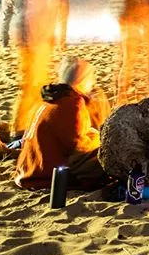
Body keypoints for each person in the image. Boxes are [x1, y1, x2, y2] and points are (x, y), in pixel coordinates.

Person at [11, 0, 79, 138]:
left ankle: (25, 127)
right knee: (32, 82)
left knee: (35, 81)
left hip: (37, 32)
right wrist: (37, 35)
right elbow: (33, 3)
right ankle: (20, 131)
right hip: (33, 33)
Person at [14, 56, 110, 191]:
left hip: (29, 167)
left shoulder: (50, 98)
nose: (93, 83)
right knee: (108, 156)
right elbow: (78, 146)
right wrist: (98, 140)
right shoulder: (72, 103)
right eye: (91, 78)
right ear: (82, 80)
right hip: (45, 174)